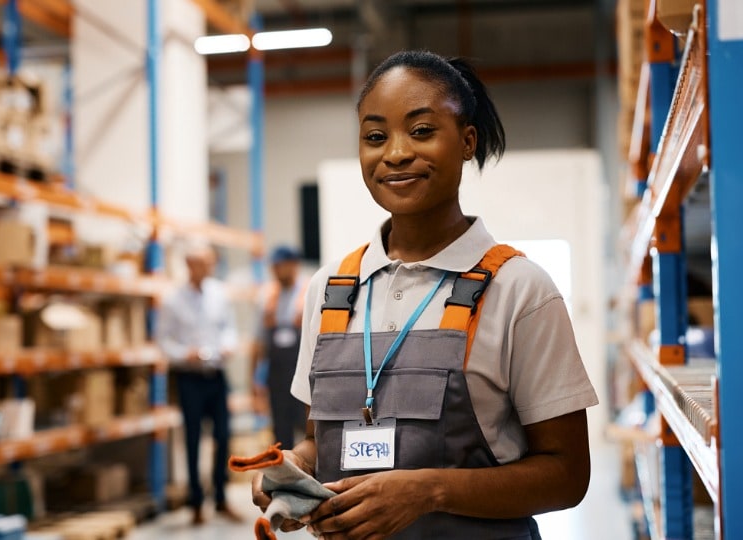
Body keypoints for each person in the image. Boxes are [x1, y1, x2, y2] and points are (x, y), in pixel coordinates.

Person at [250, 50, 598, 539]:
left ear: (467, 142)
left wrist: (429, 492)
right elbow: (319, 440)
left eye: (421, 131)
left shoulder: (519, 290)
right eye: (375, 136)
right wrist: (296, 467)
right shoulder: (329, 290)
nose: (394, 153)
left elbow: (567, 475)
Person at [156, 243, 243, 525]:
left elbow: (229, 328)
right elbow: (163, 341)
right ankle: (196, 502)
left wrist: (229, 346)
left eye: (210, 263)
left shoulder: (219, 294)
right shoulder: (172, 300)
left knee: (223, 435)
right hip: (189, 377)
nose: (207, 268)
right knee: (193, 438)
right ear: (189, 264)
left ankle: (220, 497)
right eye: (201, 263)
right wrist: (185, 354)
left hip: (216, 375)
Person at [252, 245, 308, 448]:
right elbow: (258, 344)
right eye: (273, 266)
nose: (276, 270)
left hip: (302, 371)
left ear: (294, 265)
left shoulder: (309, 293)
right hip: (277, 376)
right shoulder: (267, 297)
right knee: (281, 431)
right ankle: (284, 476)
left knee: (307, 427)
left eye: (280, 266)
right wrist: (255, 382)